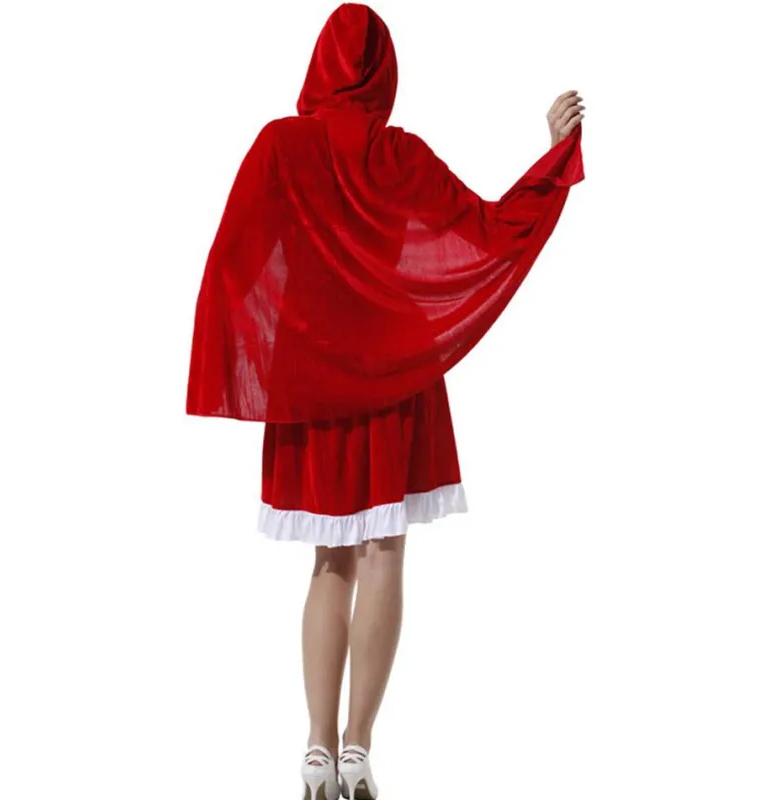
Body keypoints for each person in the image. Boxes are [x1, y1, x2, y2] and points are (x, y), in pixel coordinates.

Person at [186, 4, 584, 798]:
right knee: (384, 553)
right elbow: (489, 229)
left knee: (329, 557)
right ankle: (359, 748)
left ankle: (316, 749)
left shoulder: (279, 147)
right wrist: (554, 156)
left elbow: (236, 261)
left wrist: (267, 346)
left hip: (313, 379)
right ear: (384, 71)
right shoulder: (400, 153)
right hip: (398, 369)